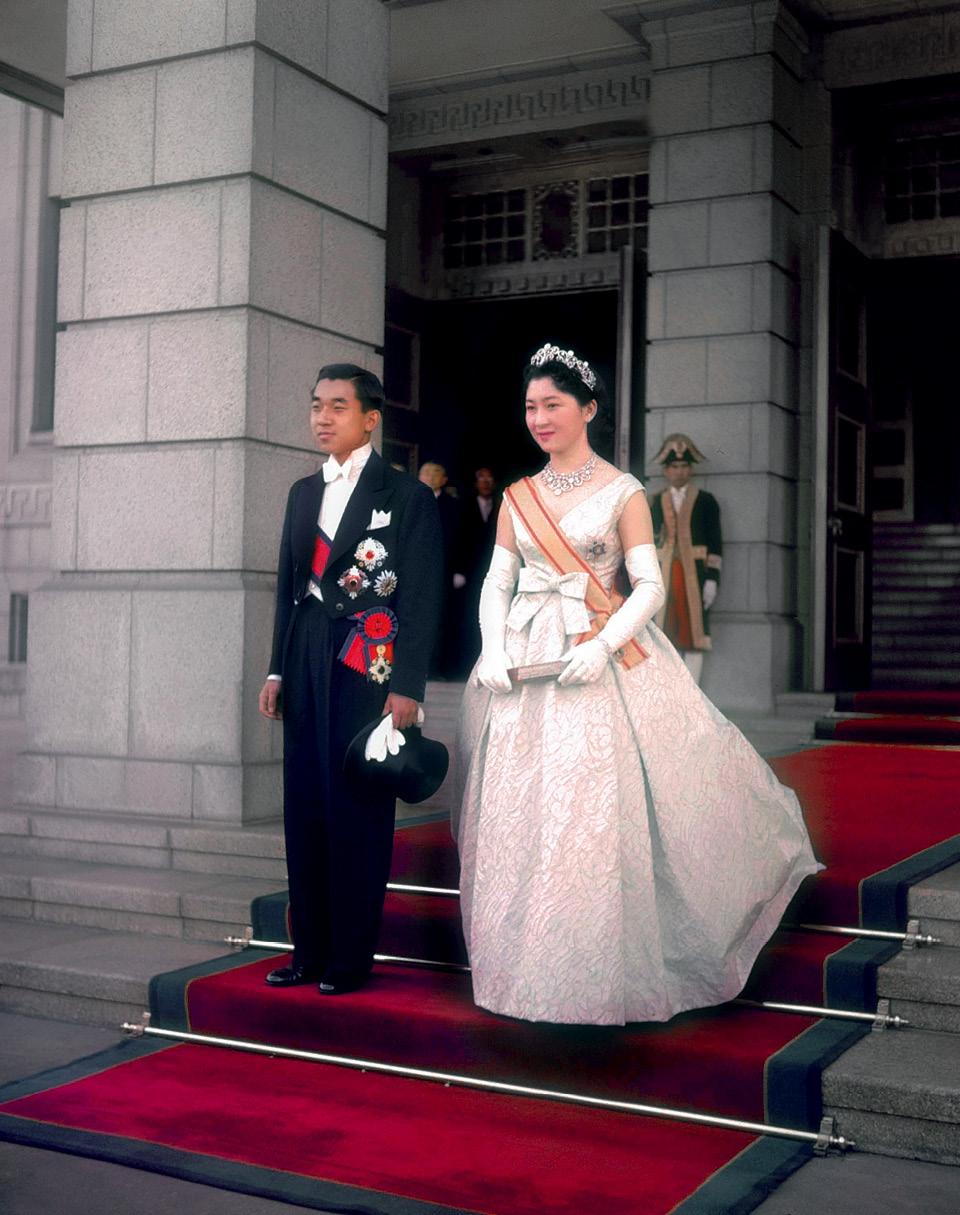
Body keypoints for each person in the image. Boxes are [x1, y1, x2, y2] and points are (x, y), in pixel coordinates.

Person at [454, 343, 822, 1027]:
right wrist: (492, 647)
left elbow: (649, 585)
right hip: (529, 662)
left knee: (587, 810)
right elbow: (497, 581)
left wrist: (602, 646)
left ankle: (594, 979)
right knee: (525, 811)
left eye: (553, 405)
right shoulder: (517, 496)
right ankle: (524, 971)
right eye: (531, 407)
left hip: (599, 655)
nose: (539, 418)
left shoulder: (622, 490)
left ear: (588, 409)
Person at [259, 364, 442, 995]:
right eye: (317, 405)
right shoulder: (301, 492)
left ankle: (349, 959)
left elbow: (421, 597)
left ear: (370, 419)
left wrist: (408, 687)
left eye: (338, 406)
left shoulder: (406, 497)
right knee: (305, 804)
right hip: (305, 653)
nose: (323, 417)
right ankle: (307, 952)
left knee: (356, 807)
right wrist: (276, 668)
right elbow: (287, 589)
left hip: (369, 662)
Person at [649, 435, 721, 685]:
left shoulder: (706, 501)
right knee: (665, 633)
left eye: (683, 466)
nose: (679, 471)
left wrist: (712, 579)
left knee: (694, 635)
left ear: (690, 469)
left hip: (695, 576)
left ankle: (693, 691)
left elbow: (715, 542)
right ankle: (669, 690)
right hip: (664, 576)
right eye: (674, 467)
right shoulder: (654, 502)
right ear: (666, 471)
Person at [453, 467, 500, 675]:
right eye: (482, 478)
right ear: (475, 483)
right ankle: (464, 666)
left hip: (494, 570)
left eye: (490, 478)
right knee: (469, 616)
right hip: (469, 574)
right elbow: (458, 538)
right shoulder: (464, 506)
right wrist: (459, 570)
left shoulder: (501, 505)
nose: (486, 482)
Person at [418, 461, 460, 677]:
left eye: (435, 473)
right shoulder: (410, 500)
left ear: (444, 480)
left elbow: (460, 539)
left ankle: (435, 668)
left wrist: (459, 570)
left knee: (439, 618)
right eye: (425, 473)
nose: (430, 477)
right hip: (414, 570)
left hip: (443, 571)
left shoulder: (453, 505)